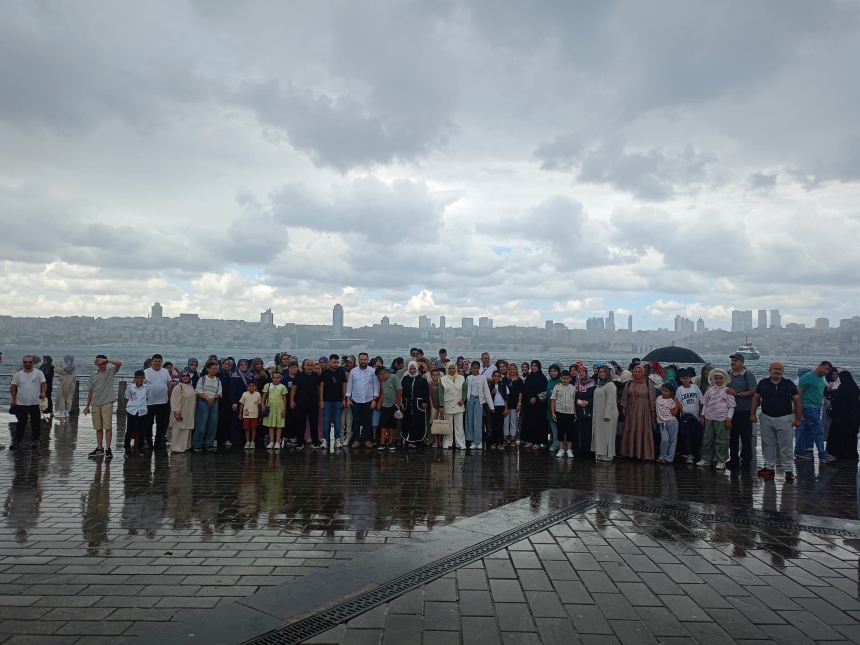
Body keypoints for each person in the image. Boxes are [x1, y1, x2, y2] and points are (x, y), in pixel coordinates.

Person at [751, 362, 802, 481]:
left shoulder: (789, 384)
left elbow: (797, 402)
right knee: (767, 444)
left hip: (785, 418)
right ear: (769, 370)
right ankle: (768, 467)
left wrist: (798, 418)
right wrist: (752, 414)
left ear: (783, 372)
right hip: (766, 417)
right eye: (775, 369)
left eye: (779, 369)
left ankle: (788, 470)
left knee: (786, 445)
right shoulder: (763, 383)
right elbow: (756, 399)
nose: (777, 371)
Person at [796, 361, 836, 464]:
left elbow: (817, 391)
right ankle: (822, 455)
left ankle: (799, 451)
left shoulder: (821, 378)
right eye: (826, 369)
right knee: (818, 429)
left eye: (828, 370)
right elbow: (799, 390)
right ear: (820, 366)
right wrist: (797, 405)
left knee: (804, 428)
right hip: (809, 406)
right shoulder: (808, 377)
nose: (827, 372)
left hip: (816, 407)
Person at [84, 354, 123, 459]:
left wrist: (107, 360)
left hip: (107, 402)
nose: (101, 365)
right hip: (95, 403)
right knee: (98, 427)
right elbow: (90, 391)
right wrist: (87, 406)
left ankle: (108, 448)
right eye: (99, 363)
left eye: (103, 363)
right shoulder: (93, 376)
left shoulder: (110, 372)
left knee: (108, 426)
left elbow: (119, 363)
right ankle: (99, 447)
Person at [697, 368, 735, 470]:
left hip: (721, 418)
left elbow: (731, 406)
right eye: (716, 378)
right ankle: (706, 458)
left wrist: (729, 418)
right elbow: (705, 404)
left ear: (724, 380)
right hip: (709, 417)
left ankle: (721, 460)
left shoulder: (727, 391)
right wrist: (702, 416)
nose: (718, 380)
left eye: (720, 379)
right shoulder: (709, 390)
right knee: (707, 438)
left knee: (721, 440)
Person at [725, 353, 757, 469]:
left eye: (736, 361)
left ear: (742, 363)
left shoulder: (748, 375)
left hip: (744, 409)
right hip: (730, 411)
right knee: (732, 437)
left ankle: (746, 460)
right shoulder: (727, 374)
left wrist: (737, 394)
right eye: (732, 360)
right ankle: (734, 459)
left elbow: (754, 391)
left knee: (745, 437)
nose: (733, 362)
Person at [10, 355, 47, 450]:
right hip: (21, 403)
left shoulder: (38, 373)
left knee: (36, 423)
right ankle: (17, 441)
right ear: (23, 363)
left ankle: (36, 440)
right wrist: (14, 399)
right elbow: (13, 387)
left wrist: (43, 392)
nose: (27, 364)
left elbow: (44, 384)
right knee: (21, 423)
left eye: (29, 362)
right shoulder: (18, 374)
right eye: (25, 362)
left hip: (34, 402)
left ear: (33, 362)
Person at [620, 365, 656, 460]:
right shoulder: (629, 383)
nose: (637, 373)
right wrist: (624, 407)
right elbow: (624, 397)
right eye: (635, 371)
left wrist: (653, 411)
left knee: (642, 429)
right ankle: (630, 452)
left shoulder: (648, 384)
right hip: (631, 411)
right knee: (631, 428)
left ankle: (644, 453)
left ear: (643, 373)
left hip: (644, 411)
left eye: (639, 372)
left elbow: (652, 398)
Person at [345, 353, 379, 449]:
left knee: (368, 420)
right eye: (361, 359)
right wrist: (348, 398)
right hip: (356, 399)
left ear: (368, 360)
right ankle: (356, 440)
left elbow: (376, 386)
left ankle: (368, 440)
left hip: (369, 400)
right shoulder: (353, 371)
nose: (363, 361)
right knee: (356, 420)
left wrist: (375, 399)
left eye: (365, 359)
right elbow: (349, 385)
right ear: (359, 360)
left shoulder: (373, 371)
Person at [826, 371, 860, 460]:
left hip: (840, 417)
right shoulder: (855, 388)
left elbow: (837, 403)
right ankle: (850, 454)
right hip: (853, 417)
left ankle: (836, 453)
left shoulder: (842, 388)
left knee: (837, 436)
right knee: (851, 437)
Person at [291, 358, 323, 449]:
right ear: (304, 366)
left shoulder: (316, 376)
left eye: (311, 365)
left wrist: (320, 401)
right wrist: (292, 401)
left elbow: (319, 389)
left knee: (314, 423)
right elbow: (294, 389)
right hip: (300, 403)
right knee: (300, 424)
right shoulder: (299, 376)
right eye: (308, 365)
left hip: (313, 404)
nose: (309, 367)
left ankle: (315, 442)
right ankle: (300, 443)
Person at [675, 368, 704, 465]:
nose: (686, 380)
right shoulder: (679, 389)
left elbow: (701, 400)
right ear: (680, 379)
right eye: (683, 378)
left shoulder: (695, 387)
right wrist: (682, 412)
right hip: (685, 415)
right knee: (687, 436)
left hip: (696, 415)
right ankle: (689, 454)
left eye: (687, 378)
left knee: (698, 436)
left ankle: (697, 453)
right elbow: (678, 402)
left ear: (690, 378)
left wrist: (700, 412)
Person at [144, 354, 172, 450]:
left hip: (163, 401)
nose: (157, 363)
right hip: (149, 402)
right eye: (155, 361)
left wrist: (169, 397)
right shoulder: (146, 372)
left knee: (161, 423)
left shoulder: (165, 371)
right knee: (148, 423)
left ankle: (158, 442)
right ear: (152, 362)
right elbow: (142, 385)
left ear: (161, 362)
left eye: (159, 361)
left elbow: (169, 384)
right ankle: (148, 442)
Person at [192, 361, 222, 452]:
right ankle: (197, 443)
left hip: (214, 402)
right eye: (213, 369)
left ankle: (209, 443)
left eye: (216, 369)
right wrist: (208, 399)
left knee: (213, 423)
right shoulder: (202, 379)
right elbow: (198, 391)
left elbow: (219, 392)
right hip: (203, 402)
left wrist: (213, 398)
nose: (215, 370)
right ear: (208, 369)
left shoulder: (217, 380)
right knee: (201, 422)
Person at [464, 361, 494, 450]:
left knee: (477, 421)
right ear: (471, 368)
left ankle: (479, 441)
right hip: (470, 400)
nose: (475, 369)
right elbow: (466, 391)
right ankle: (472, 440)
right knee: (469, 420)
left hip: (479, 400)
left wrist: (491, 406)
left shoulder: (482, 378)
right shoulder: (468, 378)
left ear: (479, 368)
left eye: (477, 368)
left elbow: (486, 392)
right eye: (474, 368)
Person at [591, 365, 618, 462]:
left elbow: (611, 401)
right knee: (601, 434)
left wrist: (607, 414)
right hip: (599, 412)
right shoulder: (600, 384)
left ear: (608, 373)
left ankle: (608, 455)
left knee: (608, 434)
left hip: (608, 413)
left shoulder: (610, 385)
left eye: (604, 372)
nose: (602, 374)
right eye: (600, 372)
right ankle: (601, 452)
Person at [400, 361, 429, 449]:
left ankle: (418, 441)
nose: (412, 371)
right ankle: (408, 440)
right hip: (407, 404)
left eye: (414, 369)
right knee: (407, 422)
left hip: (418, 405)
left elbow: (426, 391)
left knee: (418, 422)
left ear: (416, 369)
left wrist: (425, 401)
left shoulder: (422, 379)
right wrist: (402, 402)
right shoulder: (405, 379)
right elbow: (402, 392)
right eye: (411, 369)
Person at [320, 354, 347, 449]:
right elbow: (321, 387)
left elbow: (344, 386)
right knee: (326, 421)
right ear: (329, 362)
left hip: (338, 400)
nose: (336, 364)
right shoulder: (324, 373)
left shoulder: (341, 372)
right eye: (334, 362)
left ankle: (337, 440)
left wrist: (344, 398)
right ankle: (325, 439)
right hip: (327, 400)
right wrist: (321, 400)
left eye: (337, 362)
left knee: (338, 421)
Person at [522, 361, 548, 450]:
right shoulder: (529, 377)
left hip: (539, 406)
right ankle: (530, 440)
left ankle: (538, 442)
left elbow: (545, 392)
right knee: (529, 422)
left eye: (535, 366)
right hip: (529, 405)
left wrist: (536, 398)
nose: (533, 367)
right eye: (532, 366)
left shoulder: (542, 378)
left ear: (539, 367)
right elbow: (525, 390)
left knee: (538, 423)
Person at [551, 369, 577, 459]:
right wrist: (553, 412)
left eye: (567, 378)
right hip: (560, 412)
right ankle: (561, 449)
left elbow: (574, 402)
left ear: (570, 378)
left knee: (570, 432)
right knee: (560, 431)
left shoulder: (573, 388)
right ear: (561, 378)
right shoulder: (557, 387)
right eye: (564, 378)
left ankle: (569, 450)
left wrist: (575, 413)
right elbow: (553, 400)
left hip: (570, 412)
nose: (565, 380)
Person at [440, 362, 467, 450]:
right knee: (449, 425)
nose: (451, 370)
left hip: (459, 404)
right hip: (448, 404)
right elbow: (440, 393)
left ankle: (460, 443)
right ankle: (447, 443)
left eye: (453, 368)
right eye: (450, 368)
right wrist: (441, 405)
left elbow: (465, 390)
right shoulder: (443, 379)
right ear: (447, 369)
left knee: (459, 425)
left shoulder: (462, 378)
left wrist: (463, 399)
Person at [168, 369, 196, 453]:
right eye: (183, 376)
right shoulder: (178, 387)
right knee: (178, 429)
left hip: (189, 412)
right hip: (180, 411)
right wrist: (177, 411)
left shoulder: (190, 386)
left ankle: (185, 446)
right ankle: (176, 447)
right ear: (180, 377)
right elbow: (174, 400)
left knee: (186, 429)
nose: (185, 377)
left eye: (187, 376)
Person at [376, 367, 402, 451]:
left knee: (392, 425)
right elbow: (384, 393)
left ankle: (390, 442)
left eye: (379, 377)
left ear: (383, 374)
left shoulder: (394, 377)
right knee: (384, 424)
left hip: (393, 405)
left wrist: (397, 404)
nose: (379, 379)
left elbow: (400, 390)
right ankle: (382, 442)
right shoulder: (382, 381)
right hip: (385, 405)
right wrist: (379, 403)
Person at [124, 370, 150, 455]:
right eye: (138, 378)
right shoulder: (130, 387)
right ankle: (127, 448)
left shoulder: (146, 387)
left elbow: (148, 398)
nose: (139, 380)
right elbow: (127, 397)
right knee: (130, 430)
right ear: (134, 378)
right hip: (132, 410)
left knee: (142, 430)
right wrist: (128, 406)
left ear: (144, 378)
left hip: (142, 411)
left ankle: (140, 448)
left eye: (141, 378)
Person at [573, 365, 596, 457]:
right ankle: (578, 450)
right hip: (578, 410)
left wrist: (588, 402)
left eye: (583, 372)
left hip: (588, 410)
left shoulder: (592, 384)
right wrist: (578, 402)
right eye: (580, 372)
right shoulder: (576, 384)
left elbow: (595, 397)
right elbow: (574, 397)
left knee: (587, 431)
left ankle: (588, 451)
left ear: (586, 373)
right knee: (578, 431)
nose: (581, 373)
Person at [262, 371, 288, 450]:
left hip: (279, 408)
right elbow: (264, 396)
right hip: (270, 408)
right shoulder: (268, 386)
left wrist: (284, 409)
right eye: (274, 378)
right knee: (271, 425)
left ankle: (277, 441)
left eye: (277, 378)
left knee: (279, 425)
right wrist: (262, 404)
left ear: (280, 378)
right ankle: (271, 441)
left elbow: (284, 399)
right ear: (272, 378)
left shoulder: (282, 387)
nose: (276, 380)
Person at [656, 383, 680, 464]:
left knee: (673, 440)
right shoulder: (658, 398)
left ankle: (669, 458)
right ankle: (662, 455)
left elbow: (674, 413)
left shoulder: (671, 401)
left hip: (672, 422)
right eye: (662, 390)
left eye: (666, 391)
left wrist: (677, 405)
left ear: (671, 392)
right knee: (665, 440)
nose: (663, 392)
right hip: (662, 423)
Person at [503, 363, 523, 449]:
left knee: (513, 422)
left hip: (515, 404)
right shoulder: (505, 379)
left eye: (514, 369)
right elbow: (503, 393)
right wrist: (505, 406)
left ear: (516, 370)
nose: (512, 371)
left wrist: (519, 403)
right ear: (508, 370)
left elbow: (520, 393)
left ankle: (512, 439)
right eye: (510, 369)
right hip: (506, 403)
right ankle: (505, 438)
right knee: (506, 422)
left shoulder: (519, 380)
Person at [215, 358, 235, 447]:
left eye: (228, 364)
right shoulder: (217, 375)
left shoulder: (232, 375)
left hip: (228, 400)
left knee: (227, 420)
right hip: (219, 399)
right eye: (225, 364)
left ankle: (225, 438)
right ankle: (216, 439)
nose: (227, 366)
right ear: (221, 364)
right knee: (218, 420)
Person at [239, 381, 263, 450]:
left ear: (255, 387)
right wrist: (240, 413)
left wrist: (260, 414)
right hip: (246, 414)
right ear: (247, 387)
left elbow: (259, 405)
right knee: (247, 428)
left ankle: (252, 442)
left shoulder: (258, 394)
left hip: (255, 414)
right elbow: (242, 404)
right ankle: (247, 441)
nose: (251, 387)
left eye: (253, 386)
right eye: (249, 386)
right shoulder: (244, 394)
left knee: (253, 428)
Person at [487, 370, 507, 450]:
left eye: (498, 376)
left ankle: (500, 442)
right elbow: (487, 396)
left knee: (500, 425)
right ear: (492, 377)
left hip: (501, 406)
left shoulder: (503, 386)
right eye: (495, 376)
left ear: (500, 377)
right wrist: (492, 393)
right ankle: (493, 442)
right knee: (493, 425)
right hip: (493, 407)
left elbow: (506, 398)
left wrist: (506, 408)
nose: (496, 377)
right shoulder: (490, 385)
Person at [545, 364, 562, 452]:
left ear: (558, 372)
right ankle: (555, 443)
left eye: (554, 371)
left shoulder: (561, 381)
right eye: (551, 371)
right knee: (553, 427)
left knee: (561, 427)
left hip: (560, 408)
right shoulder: (549, 381)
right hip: (550, 407)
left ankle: (562, 444)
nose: (553, 373)